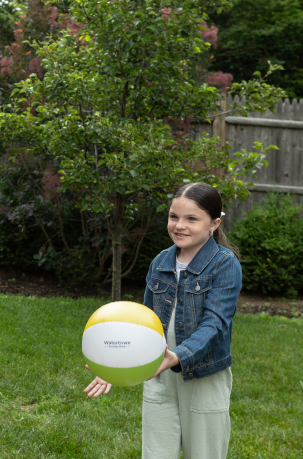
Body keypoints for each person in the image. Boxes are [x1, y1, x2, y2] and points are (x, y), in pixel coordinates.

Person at [84, 182, 242, 459]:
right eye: (174, 217)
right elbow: (143, 323)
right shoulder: (160, 262)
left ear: (214, 224)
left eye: (192, 218)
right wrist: (113, 361)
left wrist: (176, 357)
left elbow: (215, 325)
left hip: (203, 376)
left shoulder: (224, 263)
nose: (179, 225)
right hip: (159, 373)